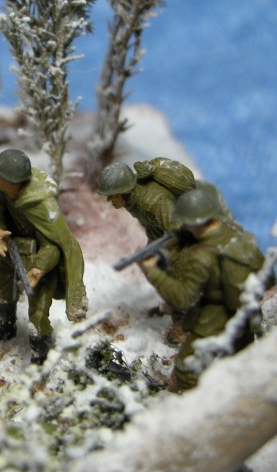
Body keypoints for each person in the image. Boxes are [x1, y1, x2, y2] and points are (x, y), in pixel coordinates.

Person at [137, 187, 267, 392]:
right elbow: (268, 276)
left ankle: (193, 402)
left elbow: (182, 299)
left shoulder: (201, 257)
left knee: (187, 367)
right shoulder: (242, 239)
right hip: (247, 312)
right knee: (245, 358)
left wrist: (153, 272)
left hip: (215, 315)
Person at [0, 149, 87, 364]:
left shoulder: (41, 204)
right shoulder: (1, 190)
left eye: (0, 174)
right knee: (0, 292)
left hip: (39, 261)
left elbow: (55, 246)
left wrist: (37, 269)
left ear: (14, 181)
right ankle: (4, 328)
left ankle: (40, 356)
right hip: (10, 250)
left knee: (38, 315)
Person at [97, 158, 196, 242]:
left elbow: (179, 230)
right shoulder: (133, 202)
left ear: (126, 192)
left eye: (113, 195)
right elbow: (152, 227)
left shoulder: (154, 203)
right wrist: (151, 251)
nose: (108, 199)